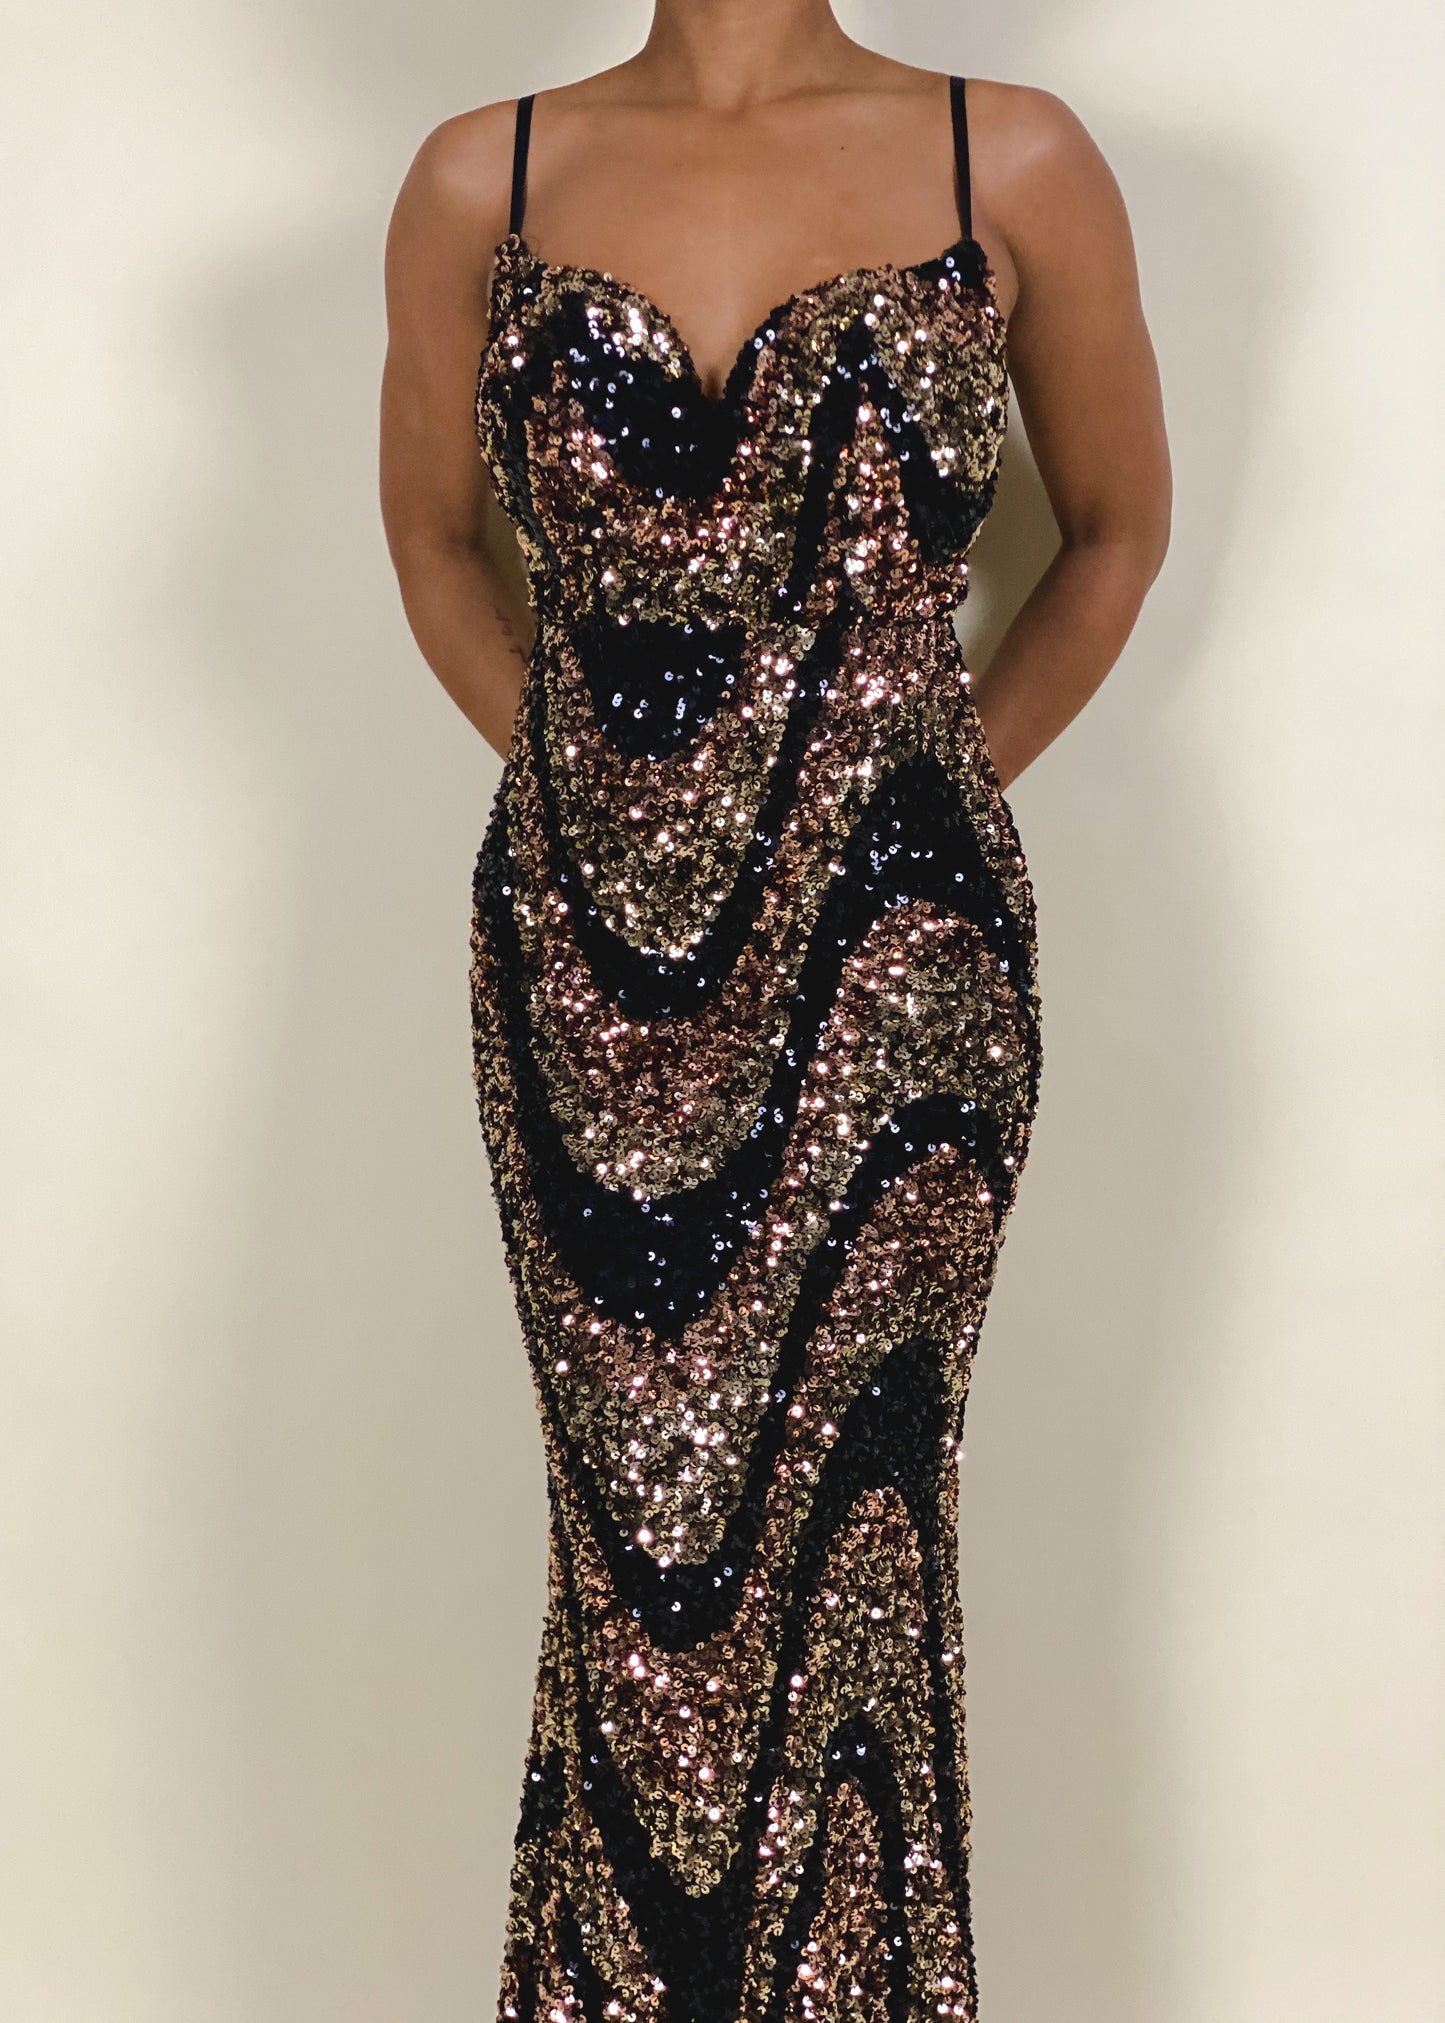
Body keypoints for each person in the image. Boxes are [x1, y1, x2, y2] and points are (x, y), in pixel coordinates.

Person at [380, 6, 1170, 2017]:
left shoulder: (1014, 156)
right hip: (583, 970)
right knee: (633, 1548)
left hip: (903, 982)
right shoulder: (485, 175)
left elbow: (1114, 536)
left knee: (858, 1539)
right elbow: (433, 544)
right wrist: (626, 818)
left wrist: (895, 805)